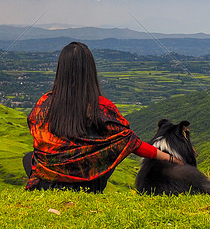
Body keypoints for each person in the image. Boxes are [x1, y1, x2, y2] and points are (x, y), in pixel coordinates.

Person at [24, 41, 182, 192]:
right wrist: (171, 159)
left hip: (47, 181)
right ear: (90, 71)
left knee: (29, 158)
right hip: (86, 184)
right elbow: (131, 142)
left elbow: (37, 135)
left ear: (60, 70)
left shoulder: (44, 103)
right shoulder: (101, 107)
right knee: (109, 154)